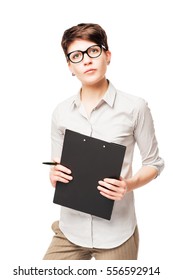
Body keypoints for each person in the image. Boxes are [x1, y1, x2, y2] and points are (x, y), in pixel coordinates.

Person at [43, 23, 164, 260]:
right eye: (76, 56)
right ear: (70, 66)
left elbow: (154, 163)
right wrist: (54, 176)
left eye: (93, 51)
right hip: (70, 230)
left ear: (107, 56)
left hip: (117, 233)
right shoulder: (60, 113)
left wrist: (128, 185)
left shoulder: (135, 107)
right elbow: (58, 167)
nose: (86, 60)